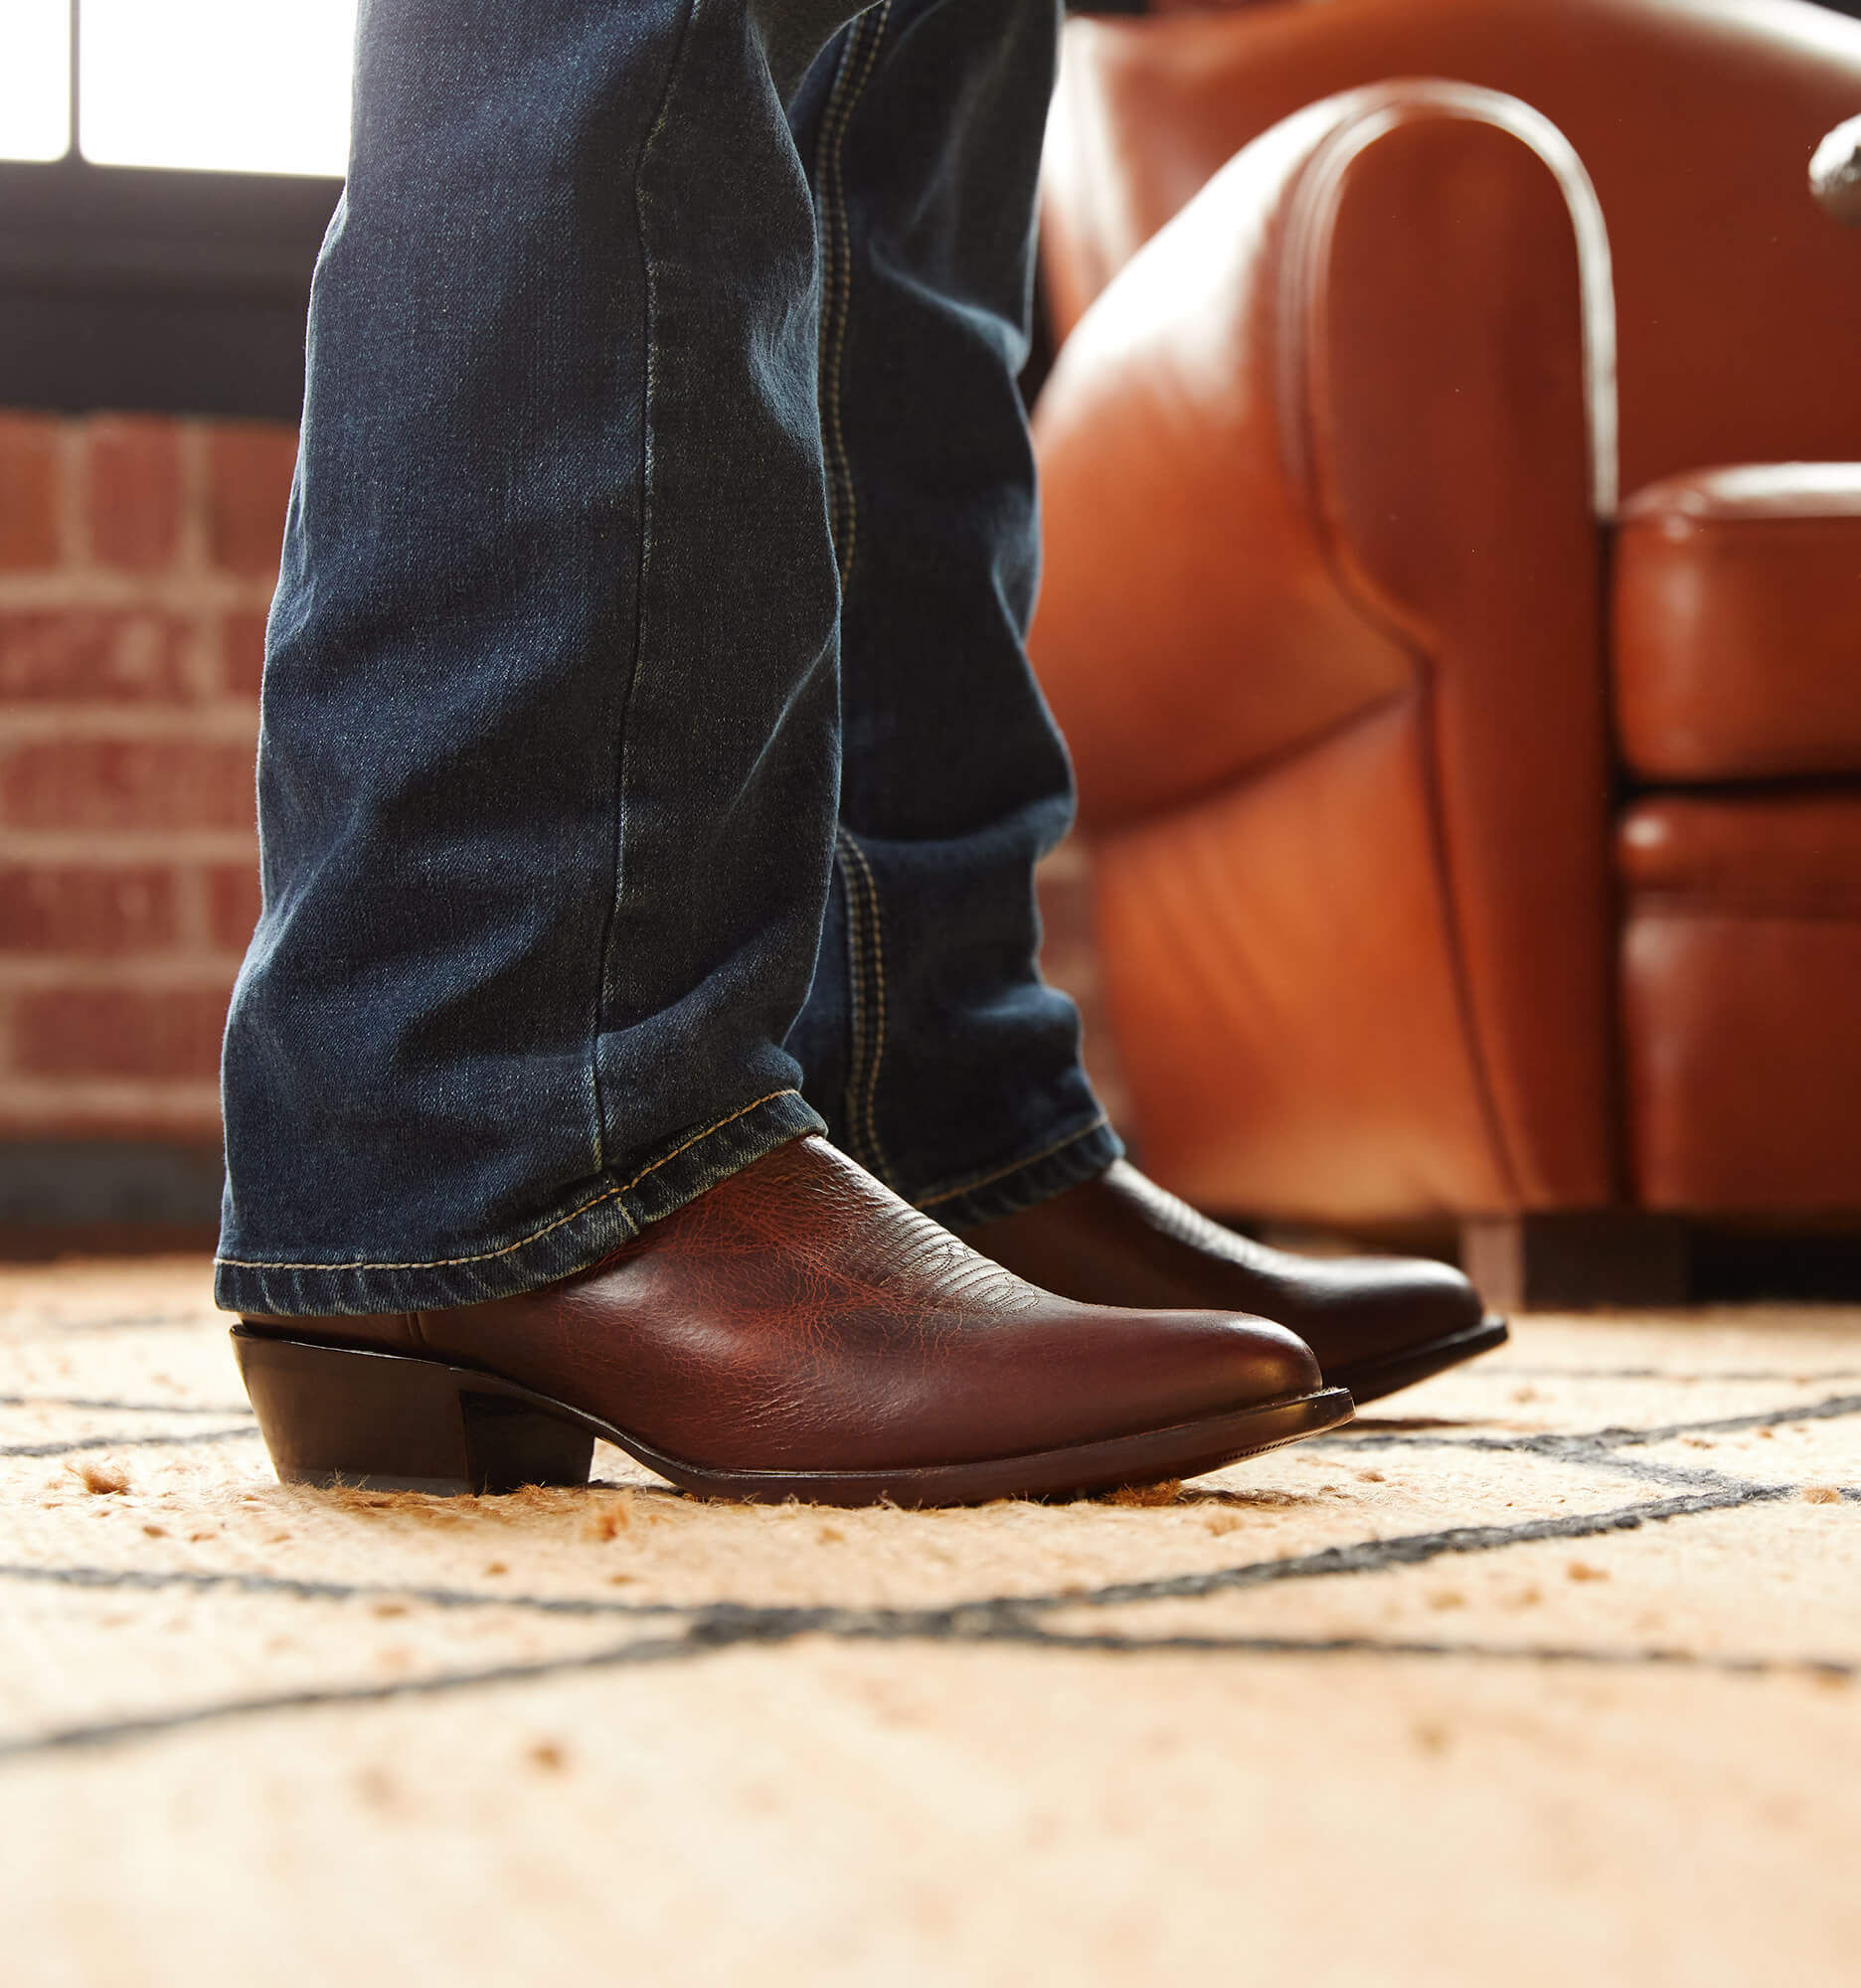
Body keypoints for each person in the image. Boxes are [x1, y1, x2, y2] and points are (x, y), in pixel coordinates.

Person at [217, 0, 1501, 1509]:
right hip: (511, 1135)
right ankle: (497, 1131)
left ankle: (917, 1102)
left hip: (912, 1075)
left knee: (912, 109)